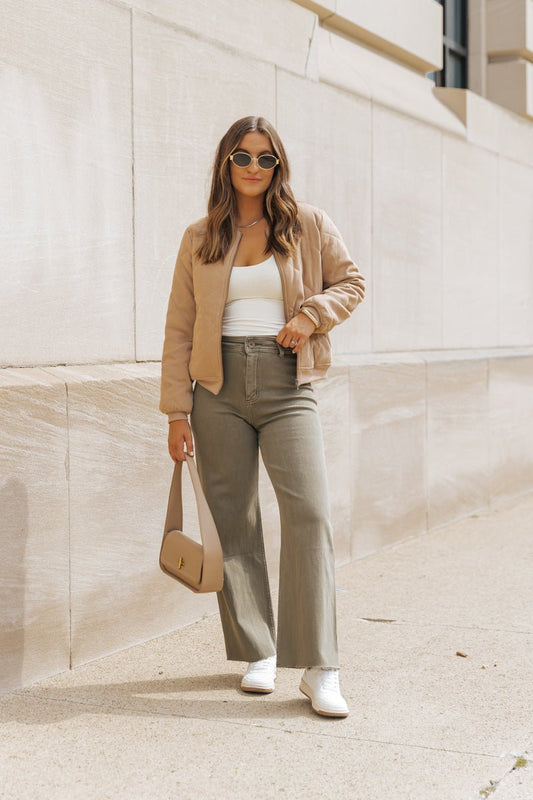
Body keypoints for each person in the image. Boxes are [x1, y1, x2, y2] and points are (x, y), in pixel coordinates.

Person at [159, 115, 365, 718]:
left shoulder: (306, 224)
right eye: (243, 157)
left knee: (310, 512)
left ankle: (321, 667)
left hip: (286, 381)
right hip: (216, 388)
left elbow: (352, 283)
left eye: (265, 158)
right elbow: (178, 328)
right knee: (233, 520)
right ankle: (259, 650)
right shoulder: (201, 236)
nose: (254, 168)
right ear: (226, 164)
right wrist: (176, 411)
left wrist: (310, 315)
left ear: (279, 166)